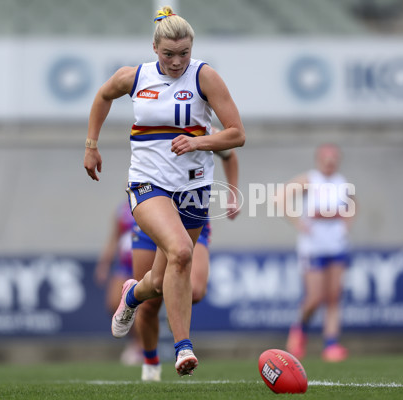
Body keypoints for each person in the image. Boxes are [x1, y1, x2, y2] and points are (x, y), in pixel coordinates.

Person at [83, 5, 245, 377]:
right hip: (147, 184)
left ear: (192, 48)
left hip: (194, 190)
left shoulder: (205, 77)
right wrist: (91, 144)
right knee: (181, 251)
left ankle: (133, 294)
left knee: (161, 277)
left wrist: (199, 143)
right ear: (155, 48)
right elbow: (102, 96)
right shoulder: (135, 77)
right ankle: (182, 348)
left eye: (183, 53)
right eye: (169, 54)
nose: (176, 62)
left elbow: (237, 134)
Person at [133, 143, 240, 382]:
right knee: (150, 300)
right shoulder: (156, 121)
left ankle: (179, 334)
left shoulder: (207, 129)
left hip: (192, 216)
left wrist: (233, 194)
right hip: (155, 216)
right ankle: (150, 363)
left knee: (196, 290)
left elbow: (230, 152)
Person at [283, 144, 357, 362]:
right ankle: (299, 330)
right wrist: (297, 222)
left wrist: (346, 225)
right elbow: (280, 197)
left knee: (334, 296)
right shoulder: (310, 180)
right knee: (315, 298)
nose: (330, 162)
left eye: (333, 158)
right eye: (326, 158)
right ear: (318, 160)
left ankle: (331, 344)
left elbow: (354, 206)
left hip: (337, 246)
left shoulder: (343, 183)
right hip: (313, 247)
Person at [93, 200, 142, 365]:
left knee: (144, 308)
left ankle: (141, 346)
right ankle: (136, 341)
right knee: (114, 304)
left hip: (143, 263)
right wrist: (104, 263)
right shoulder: (121, 210)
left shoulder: (152, 203)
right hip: (124, 265)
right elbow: (114, 238)